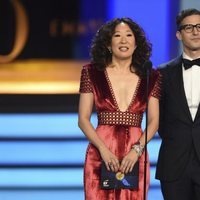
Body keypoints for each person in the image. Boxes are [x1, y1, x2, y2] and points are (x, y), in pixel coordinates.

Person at [78, 17, 161, 200]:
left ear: (136, 43)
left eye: (129, 35)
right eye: (117, 35)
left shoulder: (152, 75)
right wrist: (103, 150)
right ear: (108, 43)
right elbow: (83, 120)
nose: (124, 40)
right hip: (101, 150)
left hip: (135, 152)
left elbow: (154, 121)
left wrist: (136, 151)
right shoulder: (91, 72)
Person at [156, 8, 200, 200]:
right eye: (189, 27)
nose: (195, 31)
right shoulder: (162, 73)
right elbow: (158, 119)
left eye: (199, 26)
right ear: (178, 34)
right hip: (174, 164)